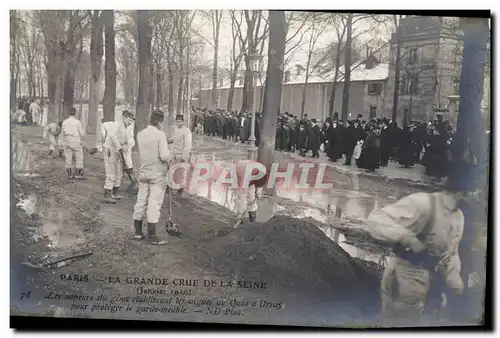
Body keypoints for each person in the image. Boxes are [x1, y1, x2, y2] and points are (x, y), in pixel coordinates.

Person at [366, 176, 467, 326]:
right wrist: (407, 237)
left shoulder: (458, 216)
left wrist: (454, 280)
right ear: (461, 193)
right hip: (405, 274)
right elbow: (376, 219)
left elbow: (450, 253)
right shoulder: (423, 203)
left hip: (431, 281)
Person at [132, 110, 171, 245]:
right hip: (157, 173)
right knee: (154, 203)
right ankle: (152, 236)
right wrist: (170, 161)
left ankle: (137, 233)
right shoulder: (160, 135)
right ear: (160, 121)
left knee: (141, 200)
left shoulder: (140, 134)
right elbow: (164, 155)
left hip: (144, 172)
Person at [102, 110, 136, 203]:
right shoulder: (117, 124)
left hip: (120, 151)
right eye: (129, 119)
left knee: (119, 172)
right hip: (110, 149)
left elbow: (131, 139)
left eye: (132, 120)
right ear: (124, 117)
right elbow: (112, 135)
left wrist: (128, 145)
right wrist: (119, 146)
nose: (130, 121)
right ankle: (107, 194)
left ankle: (115, 193)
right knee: (111, 172)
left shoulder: (130, 127)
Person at [167, 114, 192, 197]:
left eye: (180, 121)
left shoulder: (187, 131)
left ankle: (180, 191)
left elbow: (188, 145)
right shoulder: (176, 129)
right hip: (174, 153)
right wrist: (169, 140)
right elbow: (174, 138)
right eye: (177, 122)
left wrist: (184, 157)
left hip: (181, 155)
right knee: (171, 171)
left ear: (183, 122)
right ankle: (170, 188)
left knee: (180, 173)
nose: (178, 123)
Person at [61, 108, 85, 179]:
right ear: (75, 113)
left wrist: (62, 143)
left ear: (69, 114)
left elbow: (62, 134)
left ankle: (69, 174)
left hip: (67, 140)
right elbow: (82, 134)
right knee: (79, 156)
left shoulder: (64, 122)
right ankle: (78, 173)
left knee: (68, 157)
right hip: (75, 141)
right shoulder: (77, 122)